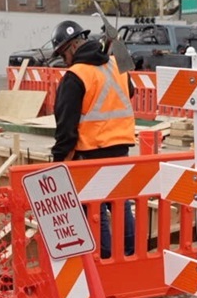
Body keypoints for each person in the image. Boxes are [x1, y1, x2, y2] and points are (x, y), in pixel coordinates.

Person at [49, 19, 135, 259]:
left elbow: (66, 128)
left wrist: (58, 160)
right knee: (121, 204)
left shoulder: (75, 76)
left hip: (91, 153)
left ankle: (104, 260)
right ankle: (130, 255)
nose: (64, 60)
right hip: (121, 148)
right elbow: (130, 91)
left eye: (62, 54)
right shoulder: (115, 65)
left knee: (95, 209)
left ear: (73, 46)